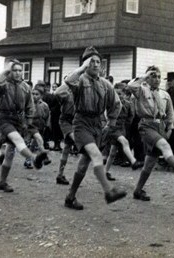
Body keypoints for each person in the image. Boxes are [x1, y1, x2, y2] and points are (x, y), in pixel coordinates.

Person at [61, 46, 127, 210]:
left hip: (98, 124)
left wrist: (110, 123)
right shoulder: (80, 80)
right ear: (85, 64)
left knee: (83, 164)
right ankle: (109, 191)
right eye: (92, 62)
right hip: (82, 123)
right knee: (97, 156)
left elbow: (116, 104)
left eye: (98, 61)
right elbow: (69, 80)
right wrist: (82, 67)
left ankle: (70, 197)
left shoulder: (105, 84)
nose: (96, 65)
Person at [126, 65, 174, 201]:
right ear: (147, 77)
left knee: (149, 163)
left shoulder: (164, 94)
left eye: (158, 76)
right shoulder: (141, 90)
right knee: (165, 147)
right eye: (153, 76)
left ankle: (138, 191)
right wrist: (145, 76)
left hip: (160, 126)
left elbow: (170, 113)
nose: (156, 79)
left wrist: (169, 128)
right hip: (146, 125)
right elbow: (130, 85)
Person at [0, 59, 51, 193]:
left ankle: (2, 182)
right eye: (15, 70)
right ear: (10, 71)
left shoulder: (25, 87)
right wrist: (7, 70)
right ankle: (34, 158)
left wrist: (28, 122)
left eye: (20, 70)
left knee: (10, 153)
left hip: (19, 120)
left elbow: (30, 106)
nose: (18, 73)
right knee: (18, 140)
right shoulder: (4, 84)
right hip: (5, 119)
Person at [102, 82, 144, 177]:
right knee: (125, 142)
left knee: (113, 152)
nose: (118, 96)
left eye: (120, 94)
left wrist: (125, 125)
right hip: (112, 127)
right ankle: (133, 162)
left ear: (125, 94)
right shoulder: (111, 104)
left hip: (121, 128)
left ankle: (105, 171)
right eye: (116, 94)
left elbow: (131, 116)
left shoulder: (128, 104)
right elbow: (106, 114)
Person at [23, 84, 51, 169]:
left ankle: (29, 161)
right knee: (27, 143)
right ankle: (42, 157)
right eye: (33, 94)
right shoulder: (28, 104)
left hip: (39, 126)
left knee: (36, 143)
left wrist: (47, 124)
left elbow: (47, 115)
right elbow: (24, 114)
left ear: (41, 95)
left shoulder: (44, 105)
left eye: (37, 94)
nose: (34, 96)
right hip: (29, 126)